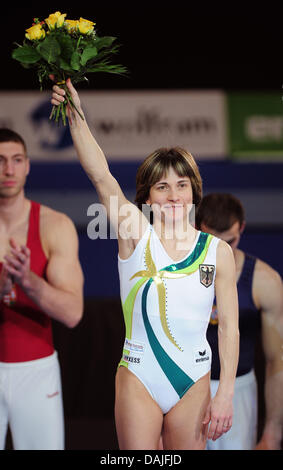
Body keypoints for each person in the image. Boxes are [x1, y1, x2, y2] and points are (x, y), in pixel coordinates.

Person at [50, 79, 239, 450]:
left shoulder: (217, 251)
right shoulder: (134, 232)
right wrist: (75, 115)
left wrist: (226, 393)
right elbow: (101, 176)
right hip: (139, 376)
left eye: (181, 185)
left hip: (195, 378)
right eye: (162, 187)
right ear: (147, 196)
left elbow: (229, 327)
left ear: (194, 192)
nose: (173, 195)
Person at [0, 128, 84, 450]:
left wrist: (28, 281)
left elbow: (74, 313)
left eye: (17, 160)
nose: (9, 170)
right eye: (1, 160)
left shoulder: (54, 225)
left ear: (28, 166)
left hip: (36, 371)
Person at [196, 193, 283, 450]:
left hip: (238, 392)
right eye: (213, 240)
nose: (223, 249)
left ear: (242, 228)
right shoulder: (178, 274)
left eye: (230, 241)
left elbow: (277, 359)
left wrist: (273, 430)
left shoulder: (265, 282)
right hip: (186, 387)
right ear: (197, 228)